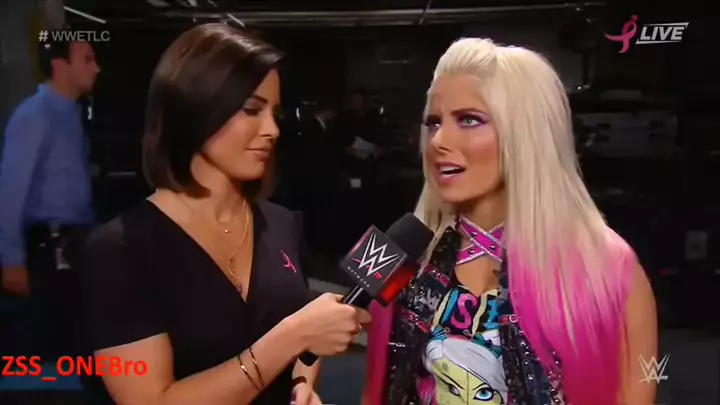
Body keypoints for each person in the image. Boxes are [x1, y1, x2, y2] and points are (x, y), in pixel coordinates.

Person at [80, 24, 369, 405]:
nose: (271, 130)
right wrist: (291, 337)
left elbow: (303, 350)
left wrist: (303, 384)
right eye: (252, 110)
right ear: (195, 110)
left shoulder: (282, 224)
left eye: (274, 113)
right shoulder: (121, 249)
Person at [362, 38, 657, 405]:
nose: (438, 140)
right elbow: (373, 386)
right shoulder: (401, 249)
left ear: (526, 132)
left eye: (469, 120)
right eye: (434, 123)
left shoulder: (609, 266)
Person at [0, 37, 99, 357]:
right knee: (50, 344)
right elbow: (10, 191)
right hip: (49, 248)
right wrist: (11, 260)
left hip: (74, 244)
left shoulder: (71, 115)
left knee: (76, 340)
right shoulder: (35, 115)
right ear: (59, 65)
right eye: (87, 60)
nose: (96, 68)